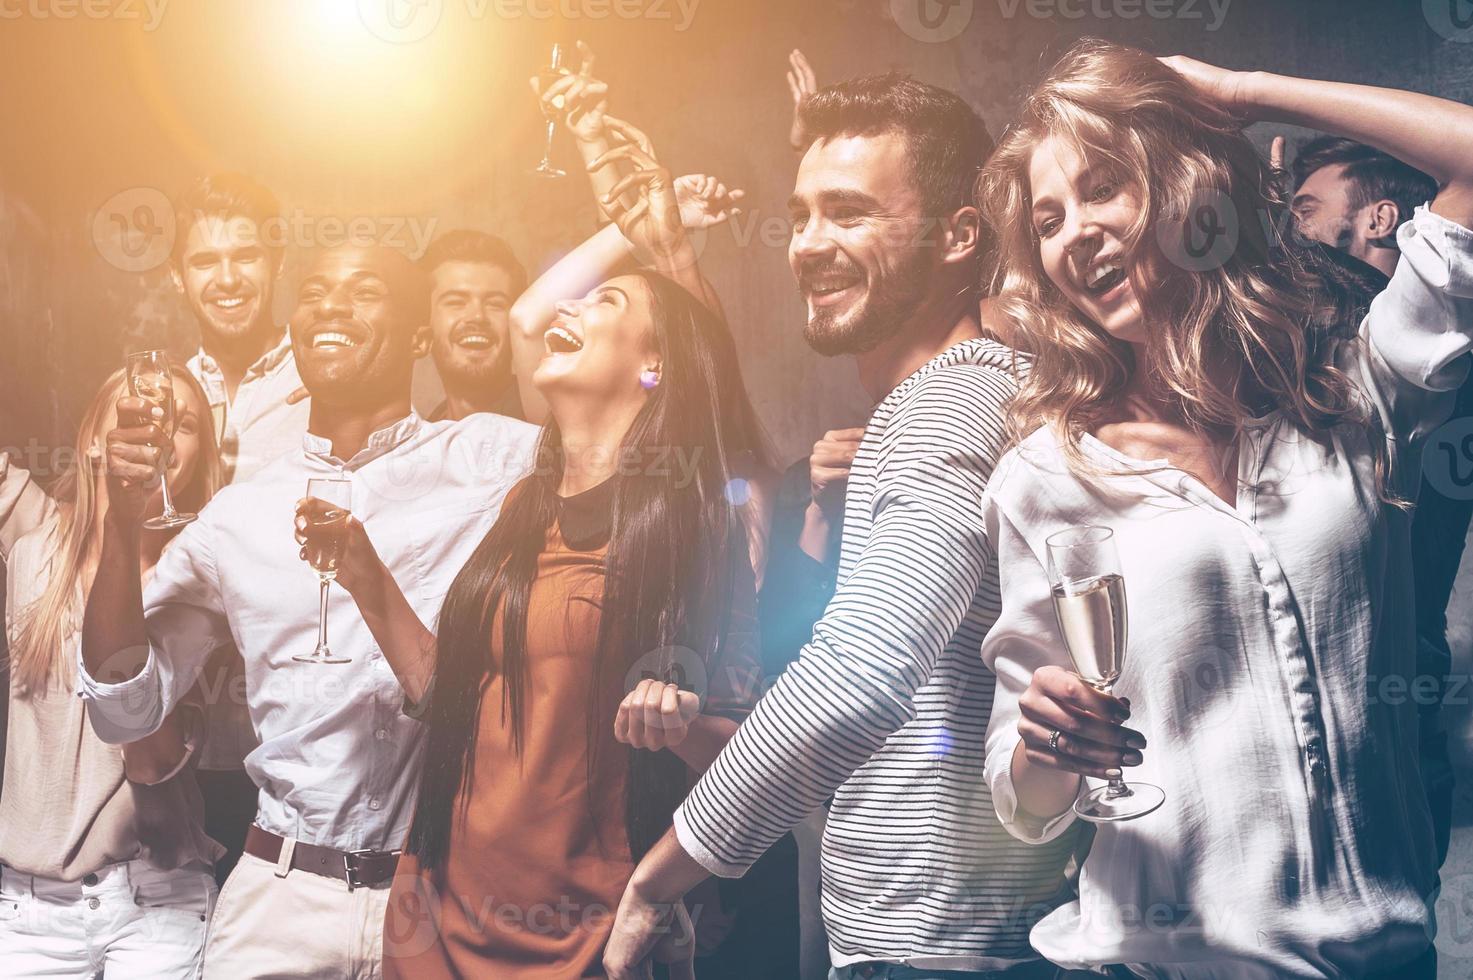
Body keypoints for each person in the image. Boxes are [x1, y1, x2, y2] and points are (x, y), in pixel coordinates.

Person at [974, 39, 1473, 977]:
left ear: (1184, 190)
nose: (1074, 230)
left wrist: (1246, 93)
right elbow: (1027, 804)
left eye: (1103, 187)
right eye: (1047, 218)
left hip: (1387, 959)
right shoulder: (1043, 475)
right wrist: (1045, 744)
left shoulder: (1350, 396)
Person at [607, 73, 1080, 980]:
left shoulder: (947, 402)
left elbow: (860, 675)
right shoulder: (977, 390)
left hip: (937, 951)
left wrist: (658, 881)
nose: (809, 246)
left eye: (850, 212)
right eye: (800, 215)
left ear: (957, 238)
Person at [77, 243, 538, 979]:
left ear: (420, 333)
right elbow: (122, 708)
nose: (331, 307)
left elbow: (641, 420)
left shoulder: (492, 458)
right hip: (278, 902)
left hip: (439, 896)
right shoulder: (239, 514)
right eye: (316, 291)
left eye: (365, 292)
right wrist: (120, 527)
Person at [379, 102, 767, 974]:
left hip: (593, 936)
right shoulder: (523, 507)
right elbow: (531, 314)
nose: (571, 308)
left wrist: (679, 722)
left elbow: (750, 744)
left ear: (653, 364)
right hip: (439, 913)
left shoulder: (696, 517)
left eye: (608, 305)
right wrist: (620, 233)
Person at [0, 366, 223, 978]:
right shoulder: (31, 548)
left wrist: (126, 527)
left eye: (183, 427)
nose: (158, 434)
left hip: (155, 898)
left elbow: (150, 756)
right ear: (97, 437)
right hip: (27, 908)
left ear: (198, 455)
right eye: (141, 415)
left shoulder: (203, 575)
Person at [1289, 136, 1468, 870]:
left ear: (1378, 218)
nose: (1286, 230)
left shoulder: (1390, 357)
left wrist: (1244, 88)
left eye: (1304, 209)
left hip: (1378, 697)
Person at [172, 172, 311, 885]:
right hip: (183, 741)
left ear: (275, 262)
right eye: (204, 261)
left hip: (292, 740)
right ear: (177, 277)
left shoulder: (326, 379)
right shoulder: (159, 392)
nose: (227, 278)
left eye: (245, 256)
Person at [419, 229, 529, 422]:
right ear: (423, 320)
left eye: (495, 304)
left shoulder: (551, 417)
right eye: (456, 302)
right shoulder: (422, 440)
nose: (477, 316)